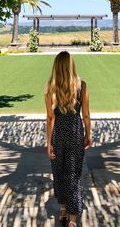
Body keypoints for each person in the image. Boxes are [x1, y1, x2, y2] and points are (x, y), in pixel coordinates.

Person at [45, 51, 91, 227]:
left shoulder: (50, 86)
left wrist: (48, 142)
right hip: (75, 133)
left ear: (56, 66)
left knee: (59, 173)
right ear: (71, 65)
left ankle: (63, 210)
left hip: (58, 135)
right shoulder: (82, 86)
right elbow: (85, 114)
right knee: (73, 174)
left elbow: (50, 118)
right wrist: (89, 134)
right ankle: (73, 218)